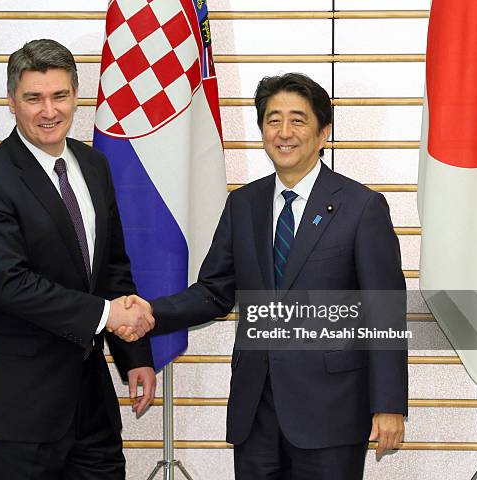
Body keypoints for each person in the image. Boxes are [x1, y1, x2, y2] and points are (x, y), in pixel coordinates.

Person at [122, 73, 408, 479]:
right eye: (273, 120)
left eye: (298, 120)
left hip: (331, 411)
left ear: (323, 131)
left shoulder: (362, 207)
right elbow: (214, 292)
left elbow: (385, 312)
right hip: (256, 410)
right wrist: (151, 311)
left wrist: (389, 403)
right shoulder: (244, 204)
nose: (284, 132)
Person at [0, 39, 155, 480]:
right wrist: (109, 315)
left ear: (75, 96)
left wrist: (135, 354)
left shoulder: (94, 165)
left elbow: (113, 268)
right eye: (34, 98)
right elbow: (11, 284)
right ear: (12, 102)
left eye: (59, 96)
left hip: (91, 405)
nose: (49, 110)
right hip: (16, 412)